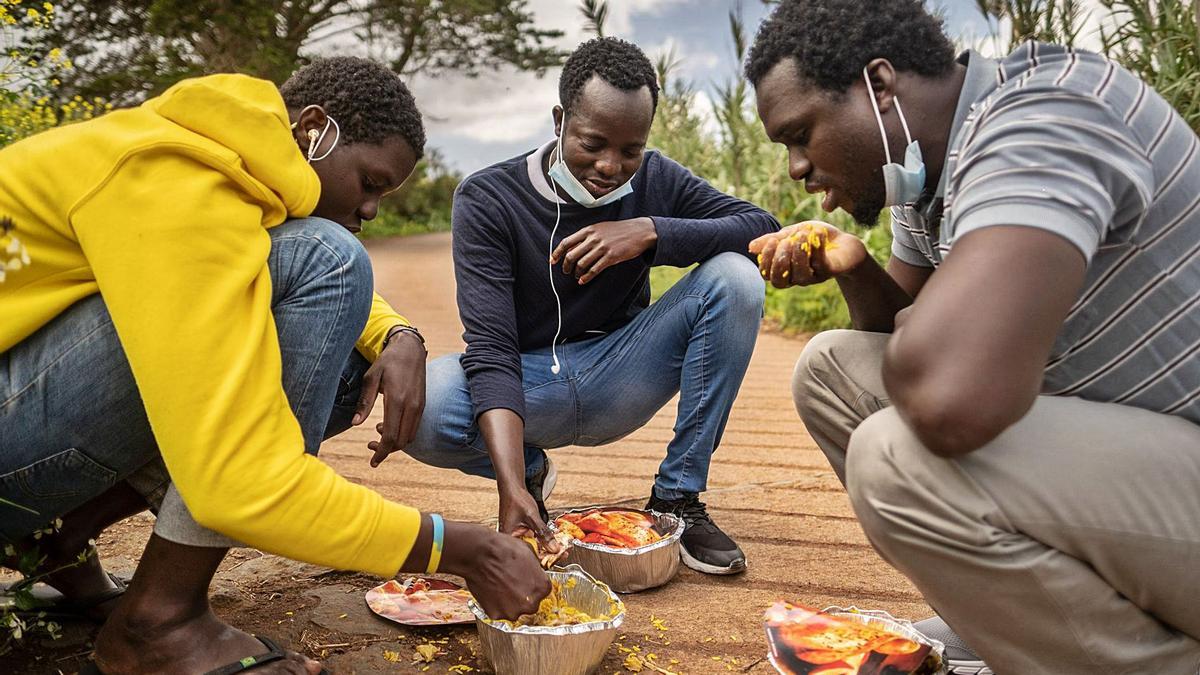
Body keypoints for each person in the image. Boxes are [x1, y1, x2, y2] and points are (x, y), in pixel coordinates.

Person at [0, 56, 549, 674]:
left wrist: (398, 332)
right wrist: (460, 549)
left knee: (338, 366)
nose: (372, 211)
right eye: (370, 183)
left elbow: (249, 259)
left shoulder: (214, 159)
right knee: (328, 260)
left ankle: (58, 542)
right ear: (314, 130)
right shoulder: (171, 178)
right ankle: (160, 624)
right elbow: (240, 483)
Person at [744, 1, 1200, 673]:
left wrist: (931, 330)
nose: (795, 168)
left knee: (893, 458)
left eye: (800, 133)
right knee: (829, 370)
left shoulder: (1044, 115)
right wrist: (857, 265)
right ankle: (1012, 624)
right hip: (1142, 464)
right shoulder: (927, 173)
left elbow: (944, 394)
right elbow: (905, 326)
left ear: (879, 84)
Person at [387, 37, 779, 575]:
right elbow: (493, 349)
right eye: (592, 143)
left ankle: (677, 500)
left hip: (620, 374)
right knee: (423, 407)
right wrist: (508, 485)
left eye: (629, 150)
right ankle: (529, 478)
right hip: (530, 386)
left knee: (737, 276)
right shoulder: (488, 198)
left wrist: (649, 231)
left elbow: (764, 229)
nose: (610, 166)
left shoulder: (656, 179)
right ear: (559, 120)